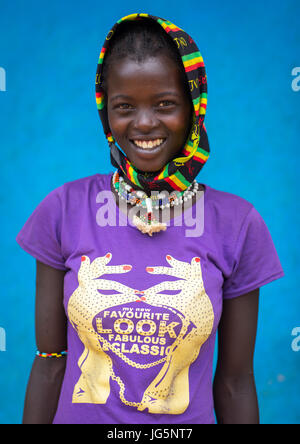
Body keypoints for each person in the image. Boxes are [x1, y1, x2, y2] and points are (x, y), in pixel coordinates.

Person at [16, 13, 284, 425]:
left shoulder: (238, 225)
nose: (143, 124)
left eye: (165, 105)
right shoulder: (63, 209)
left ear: (194, 109)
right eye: (125, 107)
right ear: (107, 111)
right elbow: (51, 362)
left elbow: (235, 381)